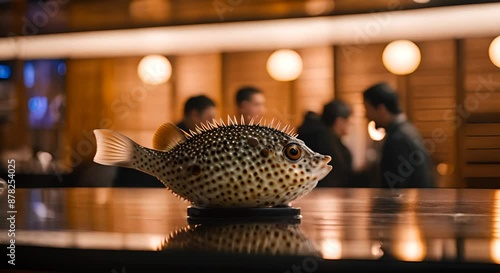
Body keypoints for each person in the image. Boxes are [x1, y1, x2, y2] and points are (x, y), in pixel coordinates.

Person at [362, 82, 436, 188]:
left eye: (367, 109)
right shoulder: (407, 130)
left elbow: (395, 189)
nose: (366, 116)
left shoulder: (398, 138)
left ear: (381, 109)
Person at [297, 100, 354, 187]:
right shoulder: (324, 139)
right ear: (339, 121)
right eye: (348, 122)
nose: (351, 125)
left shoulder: (323, 136)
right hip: (325, 193)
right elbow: (337, 171)